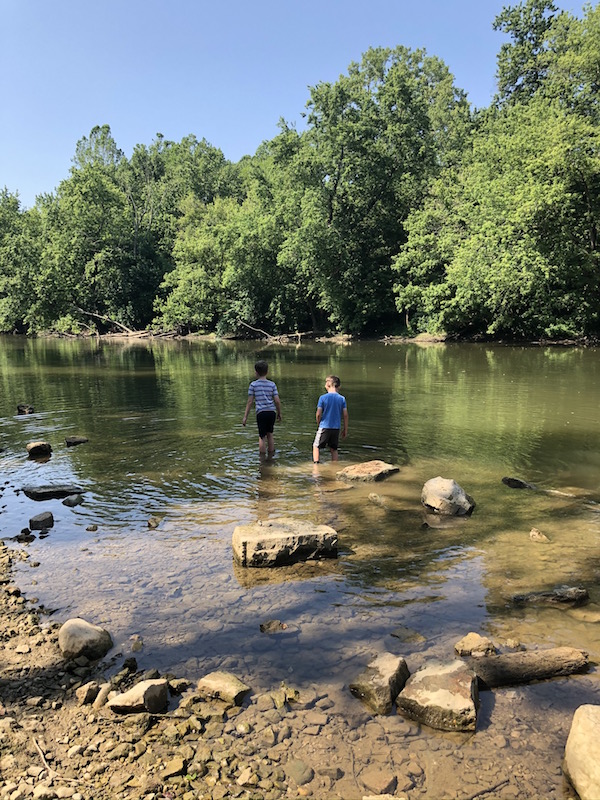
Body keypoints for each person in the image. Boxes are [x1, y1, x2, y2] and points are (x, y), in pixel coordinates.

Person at [242, 360, 282, 458]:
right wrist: (279, 413)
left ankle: (263, 459)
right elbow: (277, 400)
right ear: (267, 371)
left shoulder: (253, 385)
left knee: (262, 436)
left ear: (256, 372)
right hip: (271, 412)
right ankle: (271, 456)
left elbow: (250, 402)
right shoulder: (272, 384)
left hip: (261, 413)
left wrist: (245, 417)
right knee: (270, 434)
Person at [312, 375, 348, 463]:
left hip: (324, 426)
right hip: (336, 428)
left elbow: (318, 413)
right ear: (339, 386)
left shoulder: (323, 398)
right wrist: (345, 429)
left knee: (316, 446)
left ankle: (316, 466)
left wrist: (319, 423)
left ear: (327, 385)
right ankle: (334, 466)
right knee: (334, 449)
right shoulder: (342, 399)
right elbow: (345, 415)